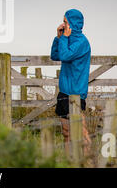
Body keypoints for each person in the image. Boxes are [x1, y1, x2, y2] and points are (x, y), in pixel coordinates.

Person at [50, 9, 91, 156]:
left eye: (66, 22)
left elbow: (65, 55)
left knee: (80, 132)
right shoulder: (67, 39)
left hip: (75, 93)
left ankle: (87, 161)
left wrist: (64, 38)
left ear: (73, 24)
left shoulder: (81, 42)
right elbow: (55, 55)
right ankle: (69, 162)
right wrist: (58, 37)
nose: (63, 24)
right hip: (64, 92)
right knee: (66, 132)